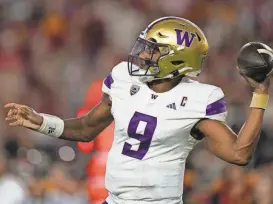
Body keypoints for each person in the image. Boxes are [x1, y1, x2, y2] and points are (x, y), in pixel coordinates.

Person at [4, 17, 271, 204]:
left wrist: (259, 94)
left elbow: (239, 153)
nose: (142, 55)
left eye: (153, 51)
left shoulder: (197, 99)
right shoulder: (123, 80)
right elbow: (86, 129)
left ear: (176, 59)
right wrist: (41, 122)